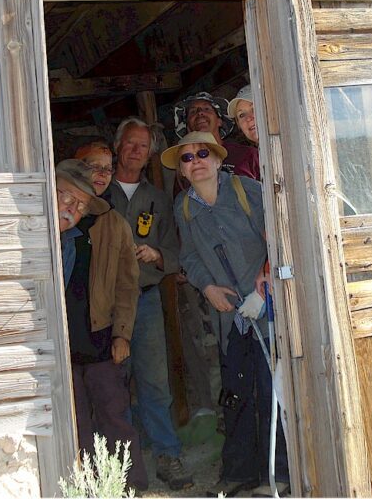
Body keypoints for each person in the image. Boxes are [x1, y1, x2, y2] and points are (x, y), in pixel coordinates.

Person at [161, 132, 290, 498]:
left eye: (203, 153)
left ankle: (277, 474)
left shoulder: (247, 191)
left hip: (267, 310)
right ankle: (237, 472)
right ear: (182, 170)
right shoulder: (183, 208)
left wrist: (264, 280)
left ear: (218, 160)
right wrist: (207, 288)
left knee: (270, 390)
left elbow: (279, 235)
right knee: (235, 391)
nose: (196, 161)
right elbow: (188, 257)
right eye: (187, 158)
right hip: (231, 317)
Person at [104, 119, 194, 491]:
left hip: (146, 301)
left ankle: (167, 455)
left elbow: (175, 252)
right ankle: (122, 468)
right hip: (102, 307)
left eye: (143, 146)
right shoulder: (98, 191)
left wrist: (157, 254)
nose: (136, 150)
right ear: (117, 145)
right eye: (130, 143)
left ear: (150, 153)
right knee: (113, 386)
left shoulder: (158, 199)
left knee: (155, 382)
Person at [55, 158, 148, 492]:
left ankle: (130, 487)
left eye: (79, 204)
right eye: (67, 197)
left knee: (115, 417)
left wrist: (122, 334)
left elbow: (127, 284)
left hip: (99, 340)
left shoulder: (112, 226)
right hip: (59, 348)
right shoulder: (41, 237)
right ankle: (88, 488)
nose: (72, 207)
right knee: (76, 423)